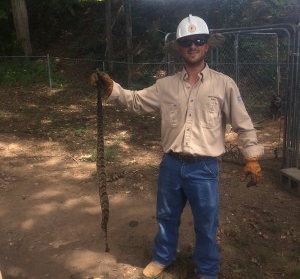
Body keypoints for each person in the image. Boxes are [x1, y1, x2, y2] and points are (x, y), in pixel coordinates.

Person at [91, 14, 263, 279]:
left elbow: (243, 122)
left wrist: (251, 156)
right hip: (171, 164)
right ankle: (163, 257)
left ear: (206, 45)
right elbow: (136, 101)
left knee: (206, 224)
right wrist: (113, 89)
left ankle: (207, 270)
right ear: (179, 48)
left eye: (198, 41)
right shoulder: (165, 86)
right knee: (166, 216)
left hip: (204, 168)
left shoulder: (224, 84)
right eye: (186, 41)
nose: (192, 46)